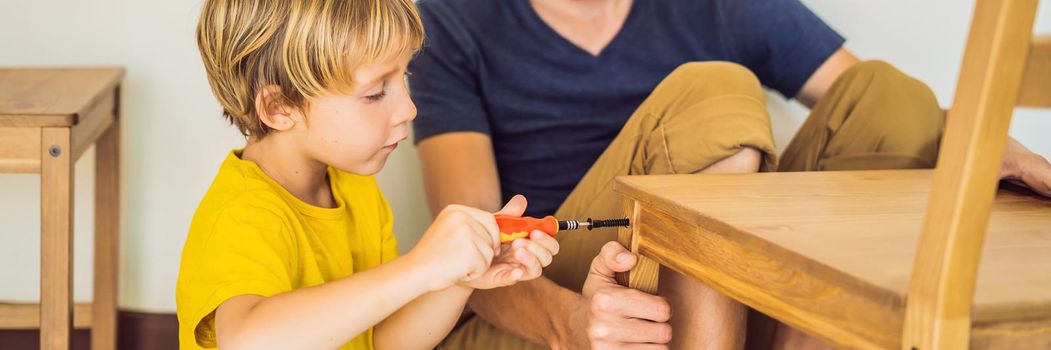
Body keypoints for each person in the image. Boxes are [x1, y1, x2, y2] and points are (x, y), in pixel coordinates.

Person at [407, 0, 1051, 348]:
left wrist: (991, 141)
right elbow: (471, 258)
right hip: (555, 297)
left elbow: (876, 108)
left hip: (715, 297)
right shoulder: (456, 19)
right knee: (713, 90)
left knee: (890, 95)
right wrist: (572, 325)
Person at [175, 0, 560, 349]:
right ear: (279, 108)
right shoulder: (241, 215)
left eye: (402, 77)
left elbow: (383, 341)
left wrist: (460, 278)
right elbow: (247, 341)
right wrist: (421, 266)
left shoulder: (354, 187)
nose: (409, 108)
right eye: (376, 93)